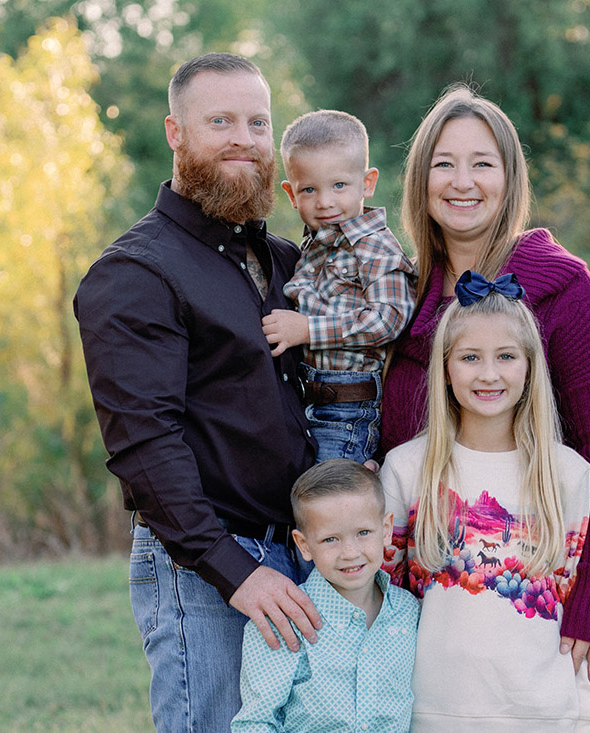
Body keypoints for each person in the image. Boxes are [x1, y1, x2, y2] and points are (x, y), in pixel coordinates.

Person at [73, 52, 323, 732]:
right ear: (176, 133)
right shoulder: (134, 274)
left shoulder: (284, 261)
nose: (243, 137)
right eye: (220, 120)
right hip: (205, 568)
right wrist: (236, 571)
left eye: (257, 121)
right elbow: (145, 448)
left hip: (303, 556)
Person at [379, 85, 590, 684]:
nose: (462, 181)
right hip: (413, 601)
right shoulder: (397, 298)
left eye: (482, 164)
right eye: (444, 164)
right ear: (420, 180)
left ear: (510, 178)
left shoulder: (568, 296)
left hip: (520, 600)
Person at [381, 273, 590, 731]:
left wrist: (581, 713)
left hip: (541, 714)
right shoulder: (406, 468)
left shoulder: (566, 474)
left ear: (529, 365)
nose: (488, 373)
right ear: (445, 368)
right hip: (430, 711)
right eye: (469, 357)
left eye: (506, 356)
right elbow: (386, 601)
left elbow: (572, 602)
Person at [262, 110, 416, 464]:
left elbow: (389, 318)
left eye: (339, 186)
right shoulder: (314, 246)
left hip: (349, 411)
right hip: (307, 401)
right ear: (291, 193)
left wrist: (307, 330)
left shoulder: (375, 247)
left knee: (329, 503)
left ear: (368, 182)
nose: (325, 202)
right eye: (309, 189)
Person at [232, 459, 420, 732]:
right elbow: (255, 723)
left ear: (387, 530)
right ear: (304, 545)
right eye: (331, 539)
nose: (350, 552)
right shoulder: (285, 622)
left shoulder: (407, 611)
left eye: (363, 533)